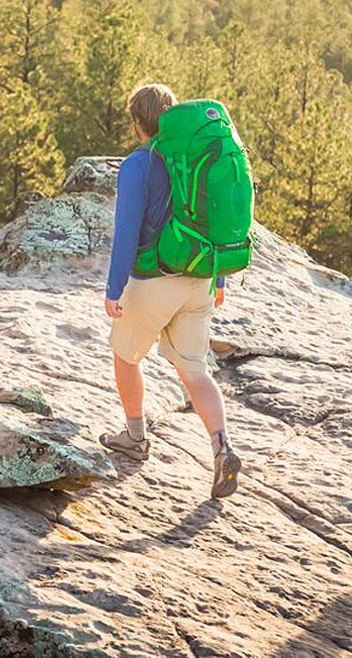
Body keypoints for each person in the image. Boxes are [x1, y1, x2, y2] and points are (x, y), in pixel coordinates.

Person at [99, 82, 241, 499]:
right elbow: (214, 220)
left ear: (137, 122)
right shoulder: (195, 157)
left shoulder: (139, 164)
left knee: (126, 356)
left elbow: (126, 232)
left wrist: (114, 287)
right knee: (194, 371)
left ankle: (135, 437)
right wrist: (218, 278)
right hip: (198, 278)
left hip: (154, 279)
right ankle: (222, 446)